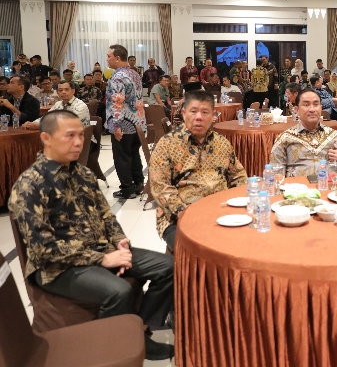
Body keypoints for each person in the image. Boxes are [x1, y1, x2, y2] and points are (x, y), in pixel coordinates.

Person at [9, 110, 175, 360]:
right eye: (70, 136)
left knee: (168, 267)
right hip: (58, 268)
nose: (79, 142)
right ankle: (112, 349)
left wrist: (120, 243)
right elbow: (44, 250)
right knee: (118, 291)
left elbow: (107, 216)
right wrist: (102, 259)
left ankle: (141, 330)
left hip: (100, 250)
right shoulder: (29, 185)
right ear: (46, 138)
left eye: (81, 135)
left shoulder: (83, 174)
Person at [150, 91, 248, 252]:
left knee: (248, 242)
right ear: (184, 113)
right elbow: (160, 187)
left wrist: (241, 203)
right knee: (206, 249)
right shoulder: (166, 144)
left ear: (213, 116)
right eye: (193, 111)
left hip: (221, 212)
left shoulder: (222, 143)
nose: (199, 117)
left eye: (205, 112)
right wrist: (186, 214)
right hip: (178, 217)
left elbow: (238, 176)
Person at [270, 88, 337, 177]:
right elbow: (275, 176)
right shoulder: (285, 139)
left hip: (329, 185)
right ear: (297, 110)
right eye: (306, 105)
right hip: (297, 186)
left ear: (321, 108)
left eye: (316, 104)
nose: (312, 109)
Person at [106, 44, 146, 200]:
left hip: (123, 123)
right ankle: (138, 183)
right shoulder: (134, 73)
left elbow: (117, 102)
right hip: (138, 122)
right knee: (134, 153)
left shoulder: (117, 77)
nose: (107, 59)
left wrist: (116, 125)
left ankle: (127, 189)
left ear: (117, 58)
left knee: (122, 157)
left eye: (109, 56)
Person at [22, 80, 90, 134]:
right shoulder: (58, 104)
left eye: (66, 89)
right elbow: (46, 118)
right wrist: (32, 123)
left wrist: (41, 125)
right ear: (57, 92)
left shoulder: (80, 106)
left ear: (73, 91)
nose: (63, 92)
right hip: (62, 137)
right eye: (60, 90)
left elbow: (68, 125)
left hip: (81, 139)